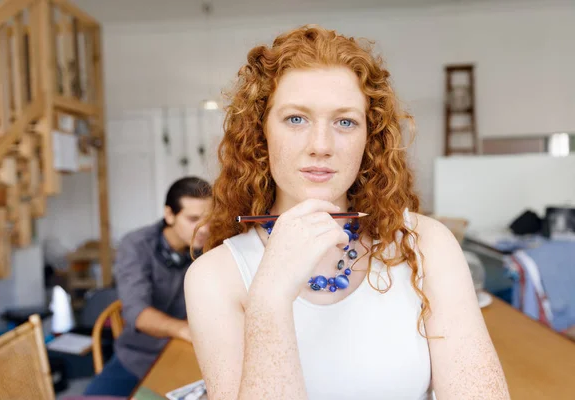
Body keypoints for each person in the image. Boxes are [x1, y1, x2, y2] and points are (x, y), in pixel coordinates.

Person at [185, 25, 510, 399]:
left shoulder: (427, 244)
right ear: (261, 132)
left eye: (345, 122)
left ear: (368, 139)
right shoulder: (214, 278)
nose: (320, 145)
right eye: (296, 119)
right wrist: (270, 296)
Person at [84, 176, 212, 397]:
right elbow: (137, 313)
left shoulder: (211, 243)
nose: (204, 228)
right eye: (193, 219)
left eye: (210, 218)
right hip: (138, 356)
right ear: (169, 215)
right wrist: (185, 330)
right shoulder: (135, 246)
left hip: (191, 352)